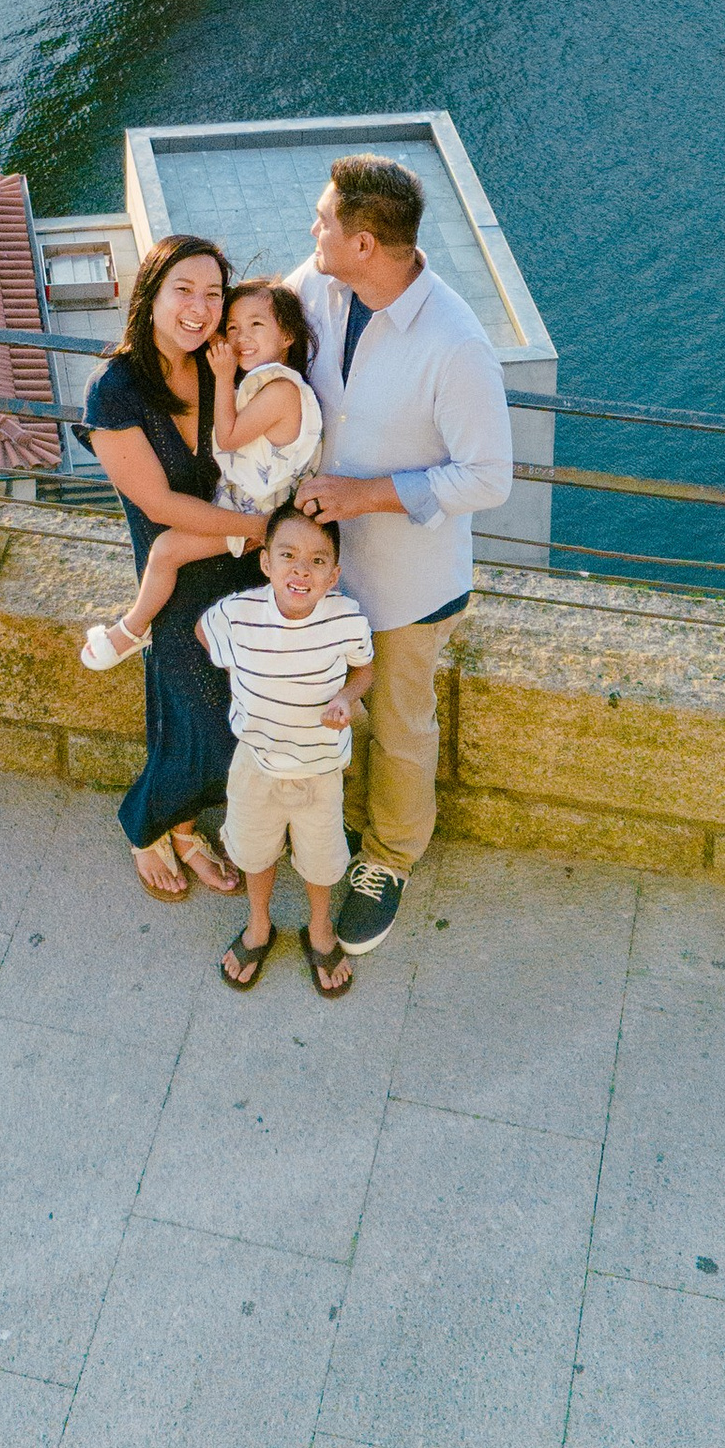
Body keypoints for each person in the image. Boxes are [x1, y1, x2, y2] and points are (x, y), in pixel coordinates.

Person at [288, 152, 513, 957]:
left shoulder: (457, 343)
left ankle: (387, 859)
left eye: (323, 220)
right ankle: (334, 826)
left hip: (408, 585)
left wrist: (365, 493)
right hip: (321, 569)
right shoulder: (319, 285)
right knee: (320, 700)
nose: (311, 228)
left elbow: (489, 476)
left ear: (365, 243)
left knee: (398, 726)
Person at [81, 233, 262, 901]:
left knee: (230, 710)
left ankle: (183, 825)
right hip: (179, 579)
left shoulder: (226, 365)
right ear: (150, 293)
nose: (200, 306)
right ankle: (145, 820)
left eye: (214, 292)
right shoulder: (116, 390)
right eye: (183, 289)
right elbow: (157, 501)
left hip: (245, 569)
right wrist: (259, 529)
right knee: (219, 729)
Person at [80, 280, 319, 670]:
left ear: (288, 335)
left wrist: (223, 377)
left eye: (256, 325)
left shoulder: (280, 391)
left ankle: (130, 631)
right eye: (234, 328)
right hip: (262, 510)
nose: (241, 338)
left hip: (263, 514)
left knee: (166, 551)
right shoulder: (268, 384)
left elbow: (226, 437)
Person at [200, 500, 374, 999]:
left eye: (318, 560)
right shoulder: (237, 614)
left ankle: (319, 928)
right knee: (255, 852)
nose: (301, 569)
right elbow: (203, 630)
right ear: (266, 562)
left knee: (320, 861)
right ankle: (259, 924)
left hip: (320, 770)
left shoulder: (346, 619)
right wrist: (235, 667)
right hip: (255, 763)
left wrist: (346, 696)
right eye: (289, 555)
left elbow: (365, 668)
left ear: (334, 574)